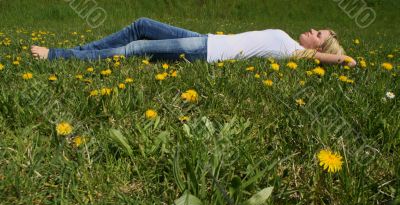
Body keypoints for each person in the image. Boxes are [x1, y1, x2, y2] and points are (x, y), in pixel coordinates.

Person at [31, 17, 357, 67]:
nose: (314, 31)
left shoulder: (294, 52)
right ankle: (85, 50)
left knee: (134, 49)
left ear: (318, 48)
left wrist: (342, 60)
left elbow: (318, 61)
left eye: (320, 36)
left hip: (204, 52)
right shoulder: (287, 39)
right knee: (142, 25)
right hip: (205, 39)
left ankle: (59, 56)